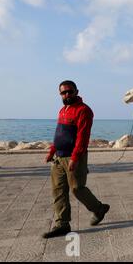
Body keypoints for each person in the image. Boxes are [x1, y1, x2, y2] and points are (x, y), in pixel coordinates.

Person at [43, 80, 110, 239]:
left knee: (77, 189)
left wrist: (75, 157)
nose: (66, 95)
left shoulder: (84, 110)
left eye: (69, 91)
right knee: (58, 191)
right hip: (59, 158)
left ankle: (99, 209)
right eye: (63, 92)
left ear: (76, 92)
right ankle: (62, 224)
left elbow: (82, 137)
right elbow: (59, 134)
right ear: (60, 94)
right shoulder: (62, 110)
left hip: (74, 157)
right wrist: (52, 151)